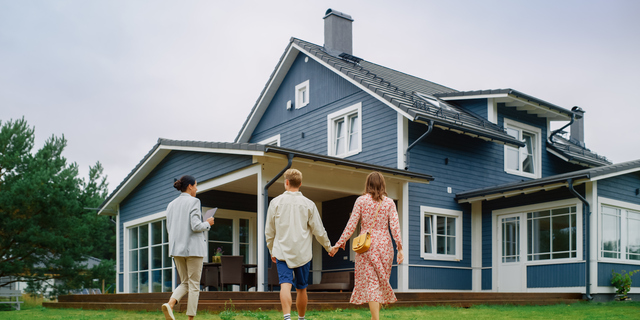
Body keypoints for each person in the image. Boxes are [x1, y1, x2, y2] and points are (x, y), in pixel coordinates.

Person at [329, 171, 404, 320]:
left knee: (372, 283)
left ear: (368, 184)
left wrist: (338, 244)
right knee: (381, 281)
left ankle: (374, 318)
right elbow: (395, 227)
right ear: (382, 184)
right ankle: (374, 317)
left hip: (366, 245)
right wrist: (400, 248)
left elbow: (351, 225)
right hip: (385, 245)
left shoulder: (361, 201)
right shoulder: (389, 203)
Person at [265, 168, 333, 320]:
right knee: (302, 288)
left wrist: (272, 250)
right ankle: (301, 318)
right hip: (303, 253)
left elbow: (269, 231)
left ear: (286, 183)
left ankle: (287, 317)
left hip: (282, 252)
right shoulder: (309, 204)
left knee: (285, 285)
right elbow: (319, 231)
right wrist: (329, 247)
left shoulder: (275, 203)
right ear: (300, 184)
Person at [162, 175, 214, 320]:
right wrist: (208, 223)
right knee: (194, 285)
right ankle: (190, 318)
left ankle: (170, 304)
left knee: (185, 282)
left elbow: (169, 228)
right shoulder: (194, 201)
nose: (197, 188)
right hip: (193, 249)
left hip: (176, 249)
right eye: (196, 185)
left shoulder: (171, 204)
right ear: (190, 186)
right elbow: (196, 226)